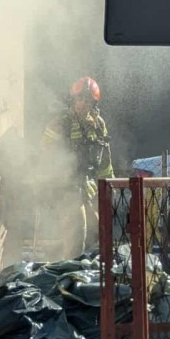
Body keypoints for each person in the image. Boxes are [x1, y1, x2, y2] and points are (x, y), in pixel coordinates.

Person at [42, 76, 114, 257]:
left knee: (97, 227)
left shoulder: (98, 125)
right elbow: (45, 154)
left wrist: (109, 185)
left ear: (93, 103)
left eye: (87, 100)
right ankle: (68, 272)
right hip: (64, 185)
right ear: (73, 100)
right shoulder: (61, 123)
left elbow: (104, 158)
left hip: (84, 185)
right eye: (79, 99)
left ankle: (57, 255)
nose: (83, 104)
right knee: (77, 227)